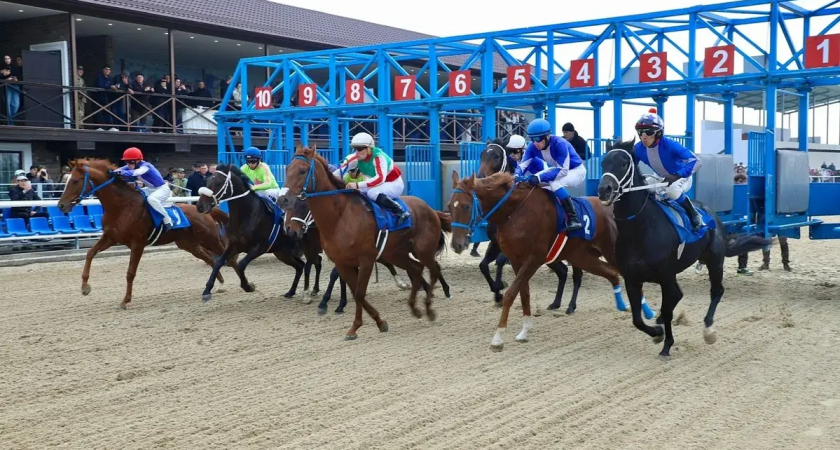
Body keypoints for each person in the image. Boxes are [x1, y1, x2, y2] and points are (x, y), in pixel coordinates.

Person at [633, 108, 704, 231]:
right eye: (640, 132)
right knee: (642, 188)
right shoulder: (638, 148)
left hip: (681, 176)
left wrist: (677, 175)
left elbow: (697, 161)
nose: (643, 136)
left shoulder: (671, 145)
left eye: (648, 132)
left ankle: (694, 213)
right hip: (660, 177)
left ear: (658, 133)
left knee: (672, 190)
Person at [515, 118, 585, 232]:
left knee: (554, 183)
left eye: (538, 139)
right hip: (559, 169)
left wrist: (539, 178)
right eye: (532, 139)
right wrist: (516, 175)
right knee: (533, 183)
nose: (535, 143)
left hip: (576, 171)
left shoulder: (560, 143)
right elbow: (522, 165)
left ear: (547, 136)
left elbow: (563, 170)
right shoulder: (532, 147)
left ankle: (574, 218)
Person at [332, 132, 410, 226]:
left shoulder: (379, 158)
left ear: (369, 149)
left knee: (372, 193)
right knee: (352, 191)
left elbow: (380, 178)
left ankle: (400, 211)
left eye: (360, 149)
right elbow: (339, 173)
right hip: (378, 184)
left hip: (393, 183)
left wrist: (357, 184)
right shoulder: (355, 158)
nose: (356, 152)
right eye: (355, 149)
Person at [111, 147, 173, 231]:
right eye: (126, 162)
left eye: (130, 161)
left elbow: (137, 172)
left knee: (152, 200)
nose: (128, 164)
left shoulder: (146, 166)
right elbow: (119, 170)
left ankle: (167, 220)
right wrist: (112, 172)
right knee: (133, 196)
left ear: (138, 161)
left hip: (162, 189)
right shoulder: (132, 165)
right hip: (150, 189)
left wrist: (119, 173)